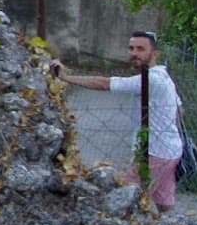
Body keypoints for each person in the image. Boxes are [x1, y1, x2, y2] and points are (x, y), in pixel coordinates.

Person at [51, 31, 182, 212]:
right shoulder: (165, 77)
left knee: (125, 198)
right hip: (172, 151)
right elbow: (180, 110)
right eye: (131, 48)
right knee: (164, 203)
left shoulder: (151, 79)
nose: (134, 53)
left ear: (154, 54)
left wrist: (65, 77)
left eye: (140, 49)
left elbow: (105, 84)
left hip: (153, 153)